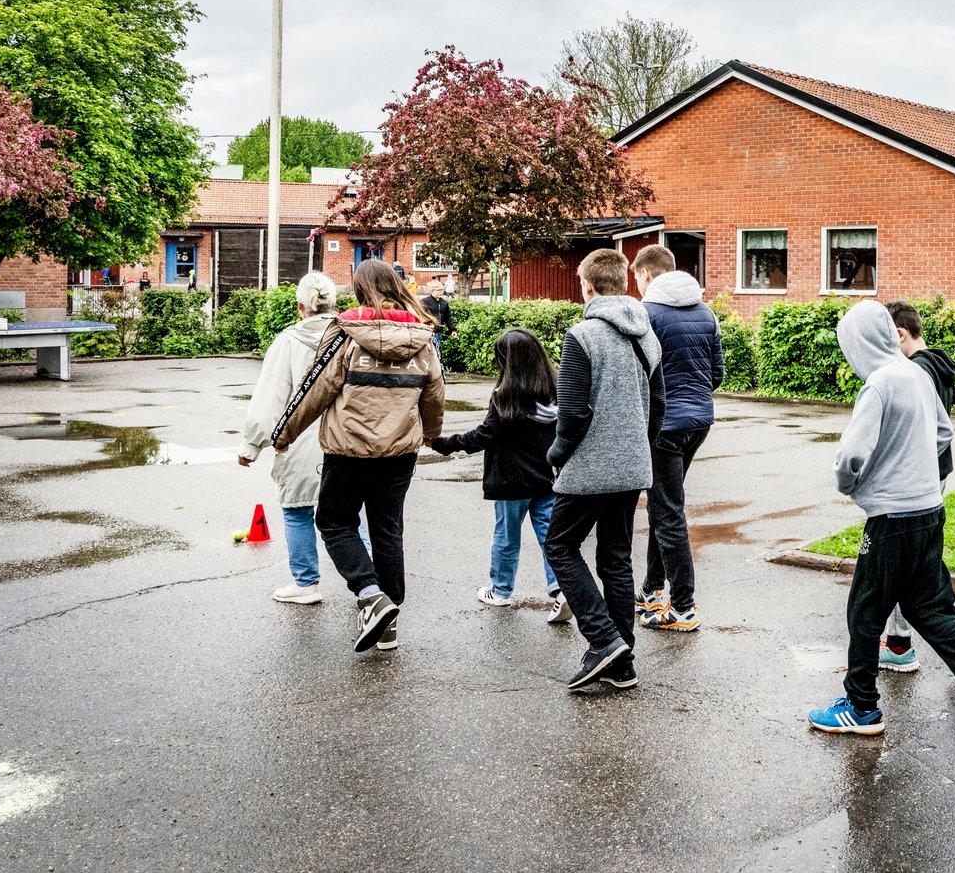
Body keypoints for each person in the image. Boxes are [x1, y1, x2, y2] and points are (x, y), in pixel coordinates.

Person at [806, 300, 955, 748]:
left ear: (858, 344)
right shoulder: (916, 374)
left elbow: (852, 454)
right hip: (928, 509)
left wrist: (850, 484)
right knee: (928, 609)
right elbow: (944, 435)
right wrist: (918, 469)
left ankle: (861, 706)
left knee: (864, 612)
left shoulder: (879, 384)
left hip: (891, 518)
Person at [273, 260, 443, 655]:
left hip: (348, 449)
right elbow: (434, 393)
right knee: (387, 530)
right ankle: (389, 625)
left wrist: (285, 433)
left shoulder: (344, 332)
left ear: (360, 289)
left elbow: (314, 389)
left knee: (333, 521)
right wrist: (431, 435)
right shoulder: (423, 335)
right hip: (400, 452)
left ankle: (370, 595)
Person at [545, 249, 664, 693]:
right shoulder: (645, 336)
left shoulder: (582, 335)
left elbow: (572, 414)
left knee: (559, 546)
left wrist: (556, 454)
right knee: (615, 557)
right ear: (624, 284)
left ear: (587, 286)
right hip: (633, 464)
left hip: (589, 466)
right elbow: (659, 406)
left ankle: (602, 639)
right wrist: (639, 450)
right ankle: (623, 660)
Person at [875, 300, 955, 674]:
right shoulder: (936, 364)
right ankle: (951, 622)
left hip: (917, 475)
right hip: (933, 470)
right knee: (919, 557)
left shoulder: (915, 371)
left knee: (900, 561)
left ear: (901, 335)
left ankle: (906, 642)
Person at [425, 328, 562, 612]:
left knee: (506, 538)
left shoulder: (506, 396)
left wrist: (443, 444)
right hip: (547, 477)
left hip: (510, 482)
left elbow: (483, 436)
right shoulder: (555, 391)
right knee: (550, 538)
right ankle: (560, 590)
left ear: (507, 361)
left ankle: (500, 591)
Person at [631, 243, 723, 632]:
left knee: (668, 513)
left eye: (637, 278)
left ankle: (683, 607)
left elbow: (637, 375)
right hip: (698, 421)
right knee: (662, 506)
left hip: (663, 425)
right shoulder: (706, 313)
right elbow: (716, 374)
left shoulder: (645, 315)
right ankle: (652, 589)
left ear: (647, 275)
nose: (636, 285)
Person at [238, 271, 339, 605]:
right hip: (345, 440)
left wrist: (251, 445)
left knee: (296, 511)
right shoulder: (350, 338)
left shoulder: (287, 342)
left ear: (300, 307)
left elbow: (271, 396)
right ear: (334, 304)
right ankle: (371, 582)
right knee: (351, 512)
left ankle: (306, 584)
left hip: (299, 441)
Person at [419, 280, 453, 355]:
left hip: (438, 332)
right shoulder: (424, 302)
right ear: (432, 291)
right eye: (439, 290)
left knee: (436, 353)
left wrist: (452, 329)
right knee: (426, 353)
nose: (441, 292)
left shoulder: (444, 302)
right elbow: (421, 316)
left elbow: (448, 317)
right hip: (427, 332)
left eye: (442, 290)